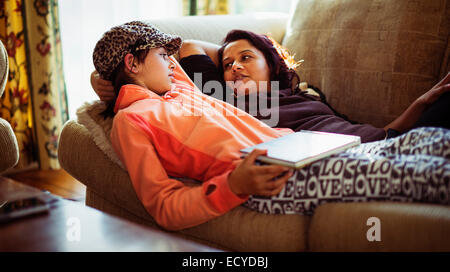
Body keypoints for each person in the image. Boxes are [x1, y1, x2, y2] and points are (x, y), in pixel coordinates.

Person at [92, 21, 450, 232]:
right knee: (425, 177)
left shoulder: (179, 89)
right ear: (132, 62)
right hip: (275, 176)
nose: (172, 62)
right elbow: (164, 206)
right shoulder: (132, 120)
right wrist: (231, 186)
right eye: (161, 56)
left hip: (304, 146)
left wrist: (131, 68)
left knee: (436, 143)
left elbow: (179, 51)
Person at [93, 29, 450, 143]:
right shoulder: (220, 98)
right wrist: (233, 55)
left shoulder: (306, 94)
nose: (234, 67)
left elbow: (379, 133)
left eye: (246, 58)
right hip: (336, 156)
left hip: (384, 143)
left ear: (273, 64)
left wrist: (421, 102)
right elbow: (189, 48)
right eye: (228, 64)